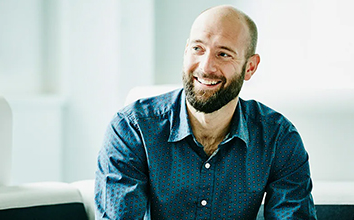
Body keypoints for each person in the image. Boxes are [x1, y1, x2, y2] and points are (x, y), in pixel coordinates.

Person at [95, 5, 317, 220]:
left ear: (250, 67)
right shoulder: (133, 129)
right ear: (185, 51)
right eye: (197, 49)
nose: (206, 66)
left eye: (223, 54)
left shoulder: (278, 137)